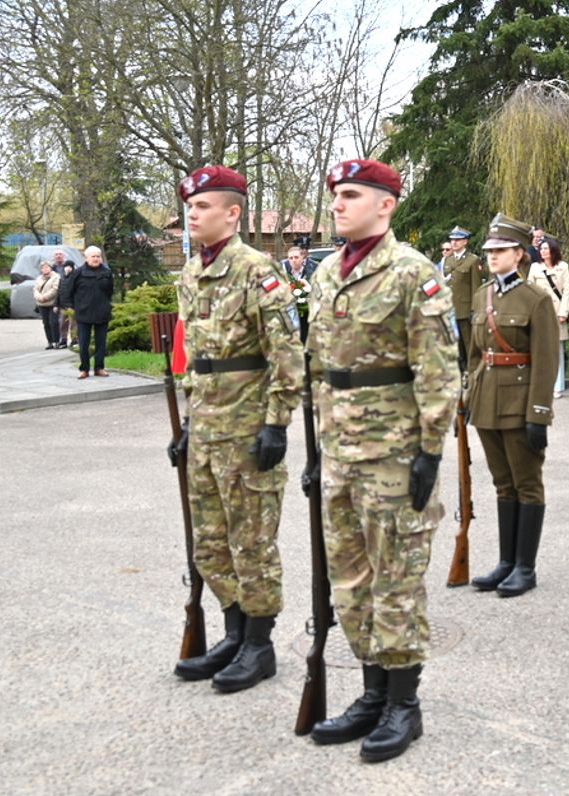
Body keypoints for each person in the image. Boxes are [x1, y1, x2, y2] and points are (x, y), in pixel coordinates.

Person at [304, 157, 456, 763]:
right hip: (339, 451)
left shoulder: (412, 273)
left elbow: (438, 373)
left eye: (350, 195)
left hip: (393, 454)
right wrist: (316, 449)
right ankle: (371, 693)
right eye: (336, 195)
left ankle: (403, 704)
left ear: (385, 204)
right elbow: (319, 366)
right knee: (350, 580)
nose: (337, 204)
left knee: (397, 579)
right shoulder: (325, 273)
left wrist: (429, 451)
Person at [168, 165, 304, 695]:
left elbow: (286, 353)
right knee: (209, 542)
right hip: (207, 426)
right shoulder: (190, 272)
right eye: (190, 206)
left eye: (202, 206)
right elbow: (194, 357)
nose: (192, 214)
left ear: (232, 213)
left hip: (248, 428)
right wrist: (188, 422)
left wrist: (277, 423)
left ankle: (259, 646)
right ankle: (233, 633)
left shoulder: (256, 269)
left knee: (252, 542)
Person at [464, 214, 559, 597]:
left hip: (519, 403)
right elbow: (474, 355)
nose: (493, 256)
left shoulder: (535, 299)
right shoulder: (481, 296)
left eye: (501, 250)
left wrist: (539, 414)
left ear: (519, 254)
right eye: (490, 250)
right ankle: (506, 562)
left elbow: (546, 360)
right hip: (487, 400)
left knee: (526, 484)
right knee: (503, 484)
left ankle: (525, 567)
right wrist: (469, 395)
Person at [60, 247, 114, 378]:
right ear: (86, 258)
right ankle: (84, 369)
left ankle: (99, 367)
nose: (96, 259)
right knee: (84, 343)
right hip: (83, 313)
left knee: (101, 342)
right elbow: (68, 292)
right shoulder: (78, 273)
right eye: (93, 256)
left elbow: (110, 291)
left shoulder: (107, 272)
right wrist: (72, 307)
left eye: (98, 256)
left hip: (102, 311)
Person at [530, 239, 569, 396]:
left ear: (553, 250)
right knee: (540, 349)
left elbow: (567, 291)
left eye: (546, 248)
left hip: (557, 311)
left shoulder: (563, 266)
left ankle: (557, 386)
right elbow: (529, 289)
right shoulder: (535, 267)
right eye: (541, 249)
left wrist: (563, 312)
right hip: (540, 312)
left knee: (556, 349)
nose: (543, 251)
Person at [443, 226, 485, 370]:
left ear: (465, 242)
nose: (454, 243)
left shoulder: (473, 260)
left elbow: (476, 287)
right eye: (452, 240)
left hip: (465, 309)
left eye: (458, 240)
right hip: (450, 309)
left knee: (469, 344)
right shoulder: (447, 260)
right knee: (454, 344)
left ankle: (473, 371)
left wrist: (475, 309)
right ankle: (459, 372)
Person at [32, 261, 61, 349]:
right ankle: (50, 341)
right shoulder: (39, 278)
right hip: (41, 304)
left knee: (53, 322)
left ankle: (56, 341)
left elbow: (55, 289)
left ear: (50, 268)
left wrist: (45, 297)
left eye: (47, 267)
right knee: (46, 323)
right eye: (43, 268)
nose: (45, 269)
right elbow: (35, 289)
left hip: (52, 303)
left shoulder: (56, 277)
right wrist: (39, 297)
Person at [57, 260, 77, 349]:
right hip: (63, 305)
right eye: (66, 266)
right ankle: (63, 339)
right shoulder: (62, 278)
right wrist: (56, 304)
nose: (68, 268)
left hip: (72, 306)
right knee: (62, 324)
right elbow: (59, 292)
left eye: (70, 267)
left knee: (73, 324)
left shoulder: (75, 278)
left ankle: (74, 339)